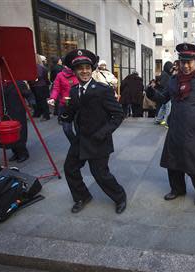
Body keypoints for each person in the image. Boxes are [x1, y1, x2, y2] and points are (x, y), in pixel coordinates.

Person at [146, 43, 195, 207]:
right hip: (175, 130)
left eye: (189, 62)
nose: (185, 66)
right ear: (178, 63)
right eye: (182, 62)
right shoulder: (173, 81)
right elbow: (163, 98)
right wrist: (151, 93)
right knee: (172, 162)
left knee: (192, 164)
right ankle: (178, 189)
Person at [60, 49, 127, 214]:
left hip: (98, 140)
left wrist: (103, 133)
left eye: (87, 67)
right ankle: (82, 196)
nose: (84, 71)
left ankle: (120, 197)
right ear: (74, 71)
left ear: (92, 69)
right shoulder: (74, 91)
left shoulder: (103, 89)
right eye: (80, 68)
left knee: (100, 174)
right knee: (70, 168)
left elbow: (118, 115)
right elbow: (71, 115)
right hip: (81, 139)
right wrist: (64, 111)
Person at [48, 65, 78, 143]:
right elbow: (56, 88)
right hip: (65, 106)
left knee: (80, 129)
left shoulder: (78, 73)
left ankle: (80, 147)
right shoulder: (60, 75)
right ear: (64, 65)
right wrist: (53, 98)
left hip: (78, 105)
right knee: (67, 129)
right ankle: (75, 144)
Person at [29, 54, 51, 121]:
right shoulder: (41, 67)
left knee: (41, 101)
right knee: (41, 101)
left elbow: (38, 76)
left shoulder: (37, 67)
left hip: (38, 86)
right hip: (41, 85)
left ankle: (46, 115)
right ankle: (43, 114)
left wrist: (31, 81)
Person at [154, 61, 174, 127]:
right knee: (168, 107)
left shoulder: (164, 74)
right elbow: (165, 84)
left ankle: (159, 119)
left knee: (163, 107)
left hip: (162, 94)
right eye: (171, 68)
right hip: (165, 94)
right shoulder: (166, 75)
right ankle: (166, 120)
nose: (172, 69)